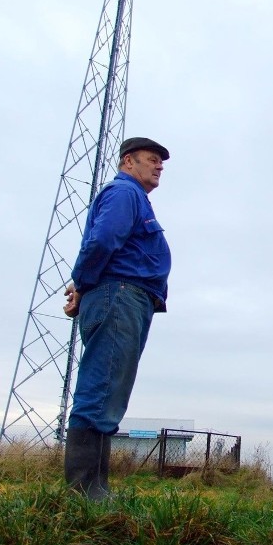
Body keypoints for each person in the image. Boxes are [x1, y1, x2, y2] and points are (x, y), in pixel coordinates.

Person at [62, 136, 172, 500]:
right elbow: (103, 240)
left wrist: (83, 287)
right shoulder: (125, 193)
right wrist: (81, 283)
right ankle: (84, 493)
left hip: (124, 297)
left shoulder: (134, 198)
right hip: (119, 295)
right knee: (102, 387)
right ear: (128, 162)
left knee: (108, 390)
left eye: (161, 162)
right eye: (152, 159)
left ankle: (95, 488)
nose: (159, 166)